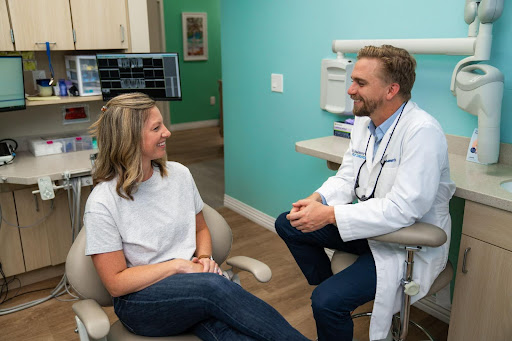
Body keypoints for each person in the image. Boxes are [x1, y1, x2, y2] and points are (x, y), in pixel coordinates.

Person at [84, 92, 309, 341]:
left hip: (194, 289)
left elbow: (200, 229)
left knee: (234, 332)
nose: (167, 132)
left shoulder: (179, 175)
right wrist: (180, 266)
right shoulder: (103, 202)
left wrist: (203, 258)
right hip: (140, 302)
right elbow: (116, 283)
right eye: (156, 128)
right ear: (129, 139)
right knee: (214, 287)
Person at [275, 45, 455, 341]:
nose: (350, 89)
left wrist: (330, 214)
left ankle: (333, 298)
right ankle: (337, 287)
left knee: (325, 302)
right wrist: (317, 200)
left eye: (360, 83)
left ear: (391, 90)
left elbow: (403, 210)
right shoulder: (364, 121)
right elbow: (347, 177)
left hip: (406, 245)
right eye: (352, 80)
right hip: (371, 231)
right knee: (288, 222)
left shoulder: (422, 132)